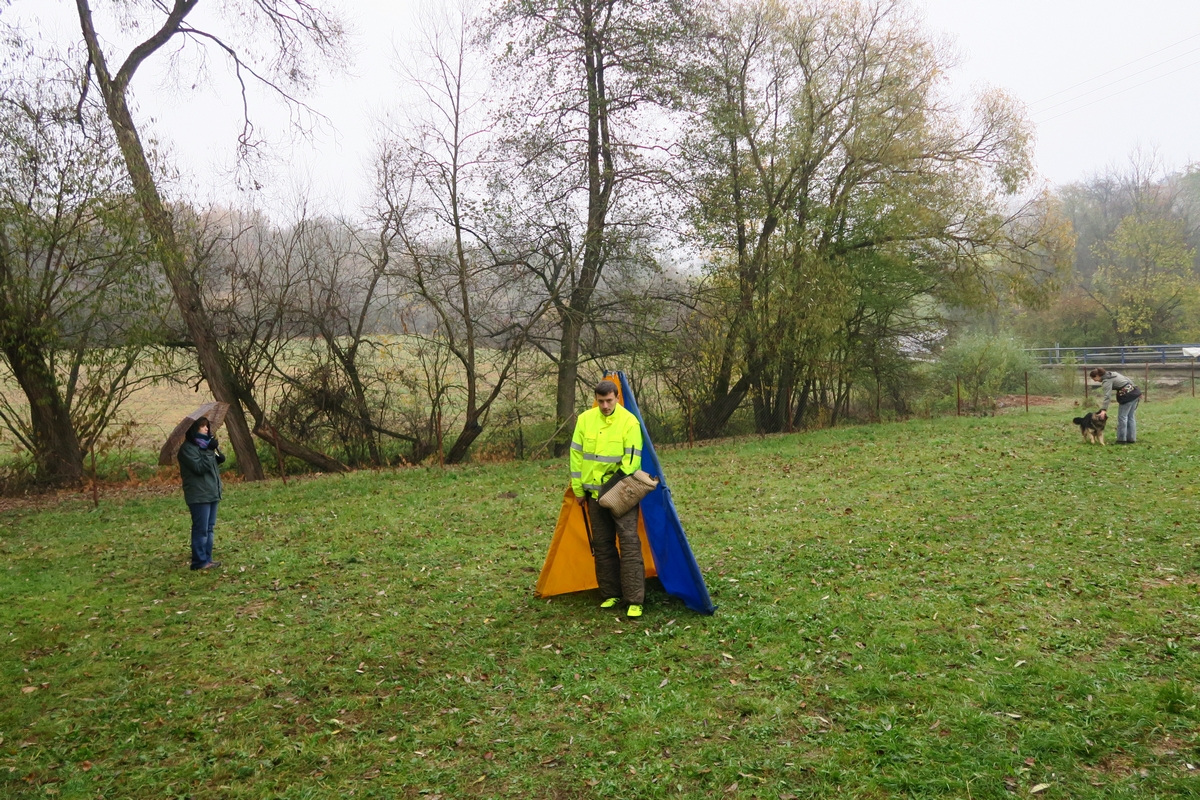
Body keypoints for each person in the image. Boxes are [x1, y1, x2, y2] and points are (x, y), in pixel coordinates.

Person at [570, 379, 645, 617]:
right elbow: (576, 457)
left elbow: (631, 462)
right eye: (601, 401)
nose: (604, 406)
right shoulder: (584, 420)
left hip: (622, 495)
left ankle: (634, 600)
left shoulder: (629, 422)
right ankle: (611, 594)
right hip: (592, 495)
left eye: (609, 400)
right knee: (602, 545)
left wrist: (608, 491)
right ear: (596, 399)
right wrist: (578, 490)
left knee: (629, 544)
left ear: (617, 398)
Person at [178, 417, 225, 570]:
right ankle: (199, 562)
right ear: (194, 429)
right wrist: (209, 451)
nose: (206, 429)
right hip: (199, 495)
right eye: (202, 426)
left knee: (209, 528)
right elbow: (199, 468)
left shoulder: (204, 445)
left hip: (211, 492)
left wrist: (217, 458)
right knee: (201, 529)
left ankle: (207, 559)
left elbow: (209, 466)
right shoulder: (187, 449)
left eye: (207, 426)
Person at [1090, 367, 1140, 444]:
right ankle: (1131, 438)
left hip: (1127, 397)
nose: (1094, 380)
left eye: (1094, 378)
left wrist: (1103, 410)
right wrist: (1136, 388)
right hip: (1135, 393)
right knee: (1130, 417)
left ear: (1097, 375)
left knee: (1122, 417)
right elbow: (1127, 379)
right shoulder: (1113, 374)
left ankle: (1121, 440)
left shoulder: (1106, 381)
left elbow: (1107, 396)